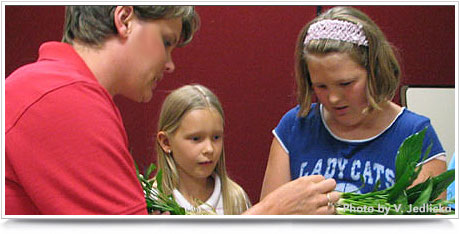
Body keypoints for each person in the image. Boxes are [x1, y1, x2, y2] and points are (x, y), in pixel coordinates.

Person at [5, 5, 338, 215]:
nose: (169, 64)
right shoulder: (66, 98)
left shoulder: (54, 87)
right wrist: (269, 214)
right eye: (166, 41)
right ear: (124, 19)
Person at [261, 6, 447, 200]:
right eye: (321, 86)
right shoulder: (294, 126)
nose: (333, 98)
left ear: (375, 71)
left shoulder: (415, 134)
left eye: (345, 83)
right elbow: (269, 218)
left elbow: (429, 222)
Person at [156, 84, 251, 215]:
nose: (209, 149)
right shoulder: (150, 199)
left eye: (216, 137)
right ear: (166, 142)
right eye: (196, 139)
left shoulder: (235, 199)